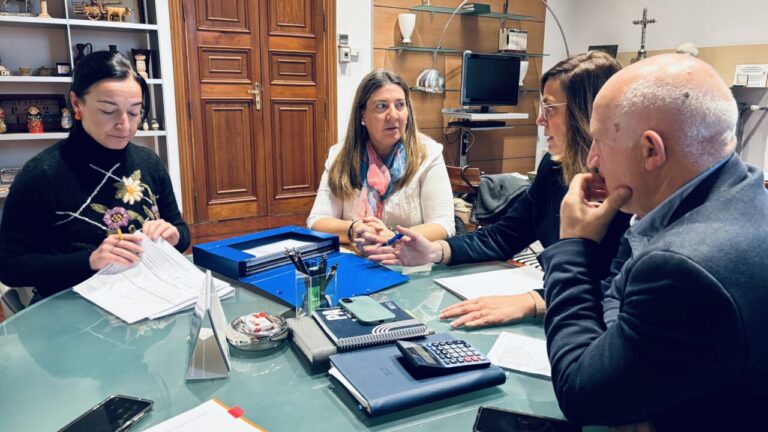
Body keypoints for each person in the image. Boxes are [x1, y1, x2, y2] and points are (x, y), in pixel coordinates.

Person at [541, 53, 768, 430]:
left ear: (651, 150)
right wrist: (628, 358)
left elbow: (582, 395)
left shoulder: (683, 266)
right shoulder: (741, 191)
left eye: (599, 140)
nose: (592, 160)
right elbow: (617, 293)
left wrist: (572, 247)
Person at [370, 52, 630, 327]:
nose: (540, 120)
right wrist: (437, 251)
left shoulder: (629, 193)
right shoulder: (553, 169)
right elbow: (505, 235)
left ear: (586, 113)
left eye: (550, 108)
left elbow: (619, 292)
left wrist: (533, 301)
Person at [0, 51, 189, 300]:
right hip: (71, 309)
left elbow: (181, 232)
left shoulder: (149, 162)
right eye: (108, 111)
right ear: (77, 104)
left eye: (134, 112)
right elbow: (10, 266)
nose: (124, 124)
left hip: (148, 298)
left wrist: (173, 235)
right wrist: (90, 260)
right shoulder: (42, 174)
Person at [307, 69, 454, 251]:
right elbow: (317, 221)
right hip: (356, 260)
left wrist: (393, 236)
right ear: (362, 116)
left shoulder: (429, 154)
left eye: (400, 105)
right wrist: (354, 229)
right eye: (381, 106)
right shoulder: (340, 155)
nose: (393, 115)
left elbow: (443, 224)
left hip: (410, 264)